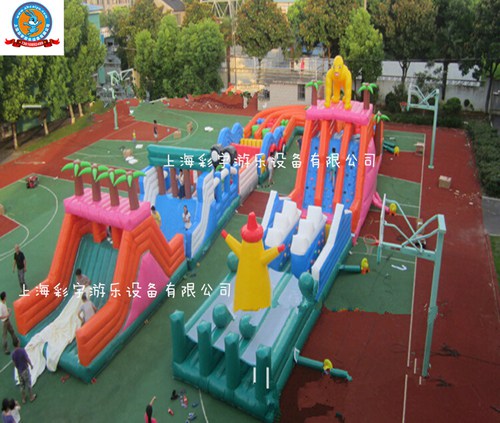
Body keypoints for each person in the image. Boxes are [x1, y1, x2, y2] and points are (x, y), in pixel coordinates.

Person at [11, 340, 36, 404]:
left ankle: (23, 398)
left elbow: (14, 363)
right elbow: (27, 358)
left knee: (22, 385)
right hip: (25, 369)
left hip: (19, 371)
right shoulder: (22, 351)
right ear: (18, 343)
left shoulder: (13, 354)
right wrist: (31, 364)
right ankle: (31, 396)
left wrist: (18, 368)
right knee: (28, 383)